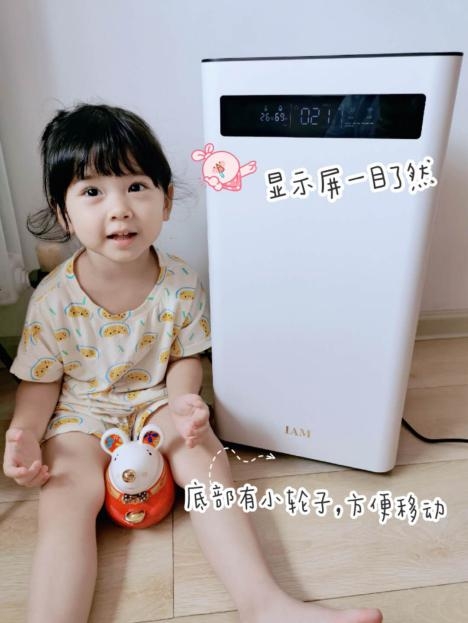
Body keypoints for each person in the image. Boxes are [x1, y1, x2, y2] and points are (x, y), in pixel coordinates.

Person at [2, 103, 383, 623]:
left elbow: (185, 354)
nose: (120, 208)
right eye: (92, 192)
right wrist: (24, 433)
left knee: (205, 461)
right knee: (64, 498)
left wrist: (184, 403)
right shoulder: (52, 297)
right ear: (64, 214)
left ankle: (265, 605)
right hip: (81, 415)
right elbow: (41, 382)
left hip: (155, 401)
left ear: (165, 200)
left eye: (136, 186)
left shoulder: (180, 281)